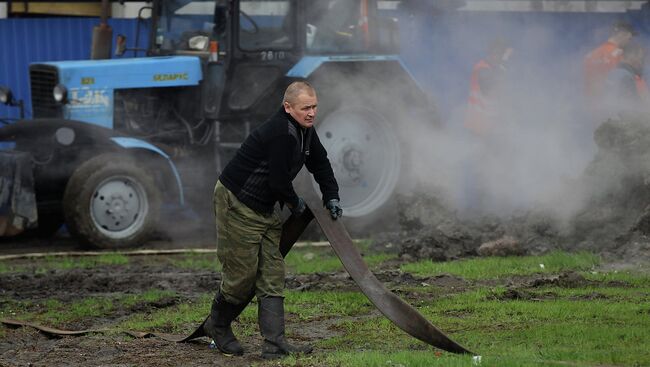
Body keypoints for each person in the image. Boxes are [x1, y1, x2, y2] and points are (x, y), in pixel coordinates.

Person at [204, 81, 342, 359]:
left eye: (314, 106)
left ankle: (275, 345)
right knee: (242, 275)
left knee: (272, 273)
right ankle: (217, 326)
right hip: (238, 203)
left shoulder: (305, 131)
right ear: (288, 107)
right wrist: (296, 202)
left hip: (265, 207)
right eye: (306, 108)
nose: (312, 113)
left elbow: (321, 163)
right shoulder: (281, 133)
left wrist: (332, 196)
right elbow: (279, 181)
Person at [464, 38, 514, 136]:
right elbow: (488, 87)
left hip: (490, 124)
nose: (500, 59)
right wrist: (504, 64)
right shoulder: (481, 68)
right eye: (500, 55)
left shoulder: (494, 69)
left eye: (501, 56)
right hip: (479, 123)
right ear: (493, 53)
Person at [583, 20, 637, 104]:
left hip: (590, 104)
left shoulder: (591, 54)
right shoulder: (618, 54)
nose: (629, 42)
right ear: (622, 35)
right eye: (629, 38)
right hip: (609, 106)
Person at [604, 42, 649, 114]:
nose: (640, 61)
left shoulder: (613, 73)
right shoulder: (627, 76)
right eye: (640, 57)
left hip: (610, 117)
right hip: (623, 119)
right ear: (632, 56)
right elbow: (632, 104)